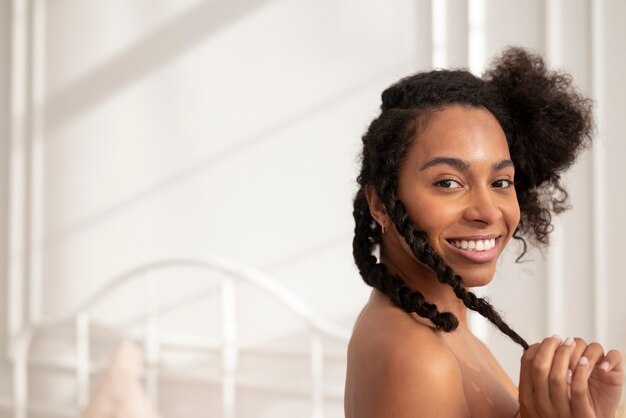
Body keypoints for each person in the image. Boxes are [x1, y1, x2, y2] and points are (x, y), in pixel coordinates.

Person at [344, 47, 623, 418]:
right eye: (448, 182)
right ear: (380, 203)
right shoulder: (417, 359)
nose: (488, 210)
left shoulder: (442, 325)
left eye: (500, 181)